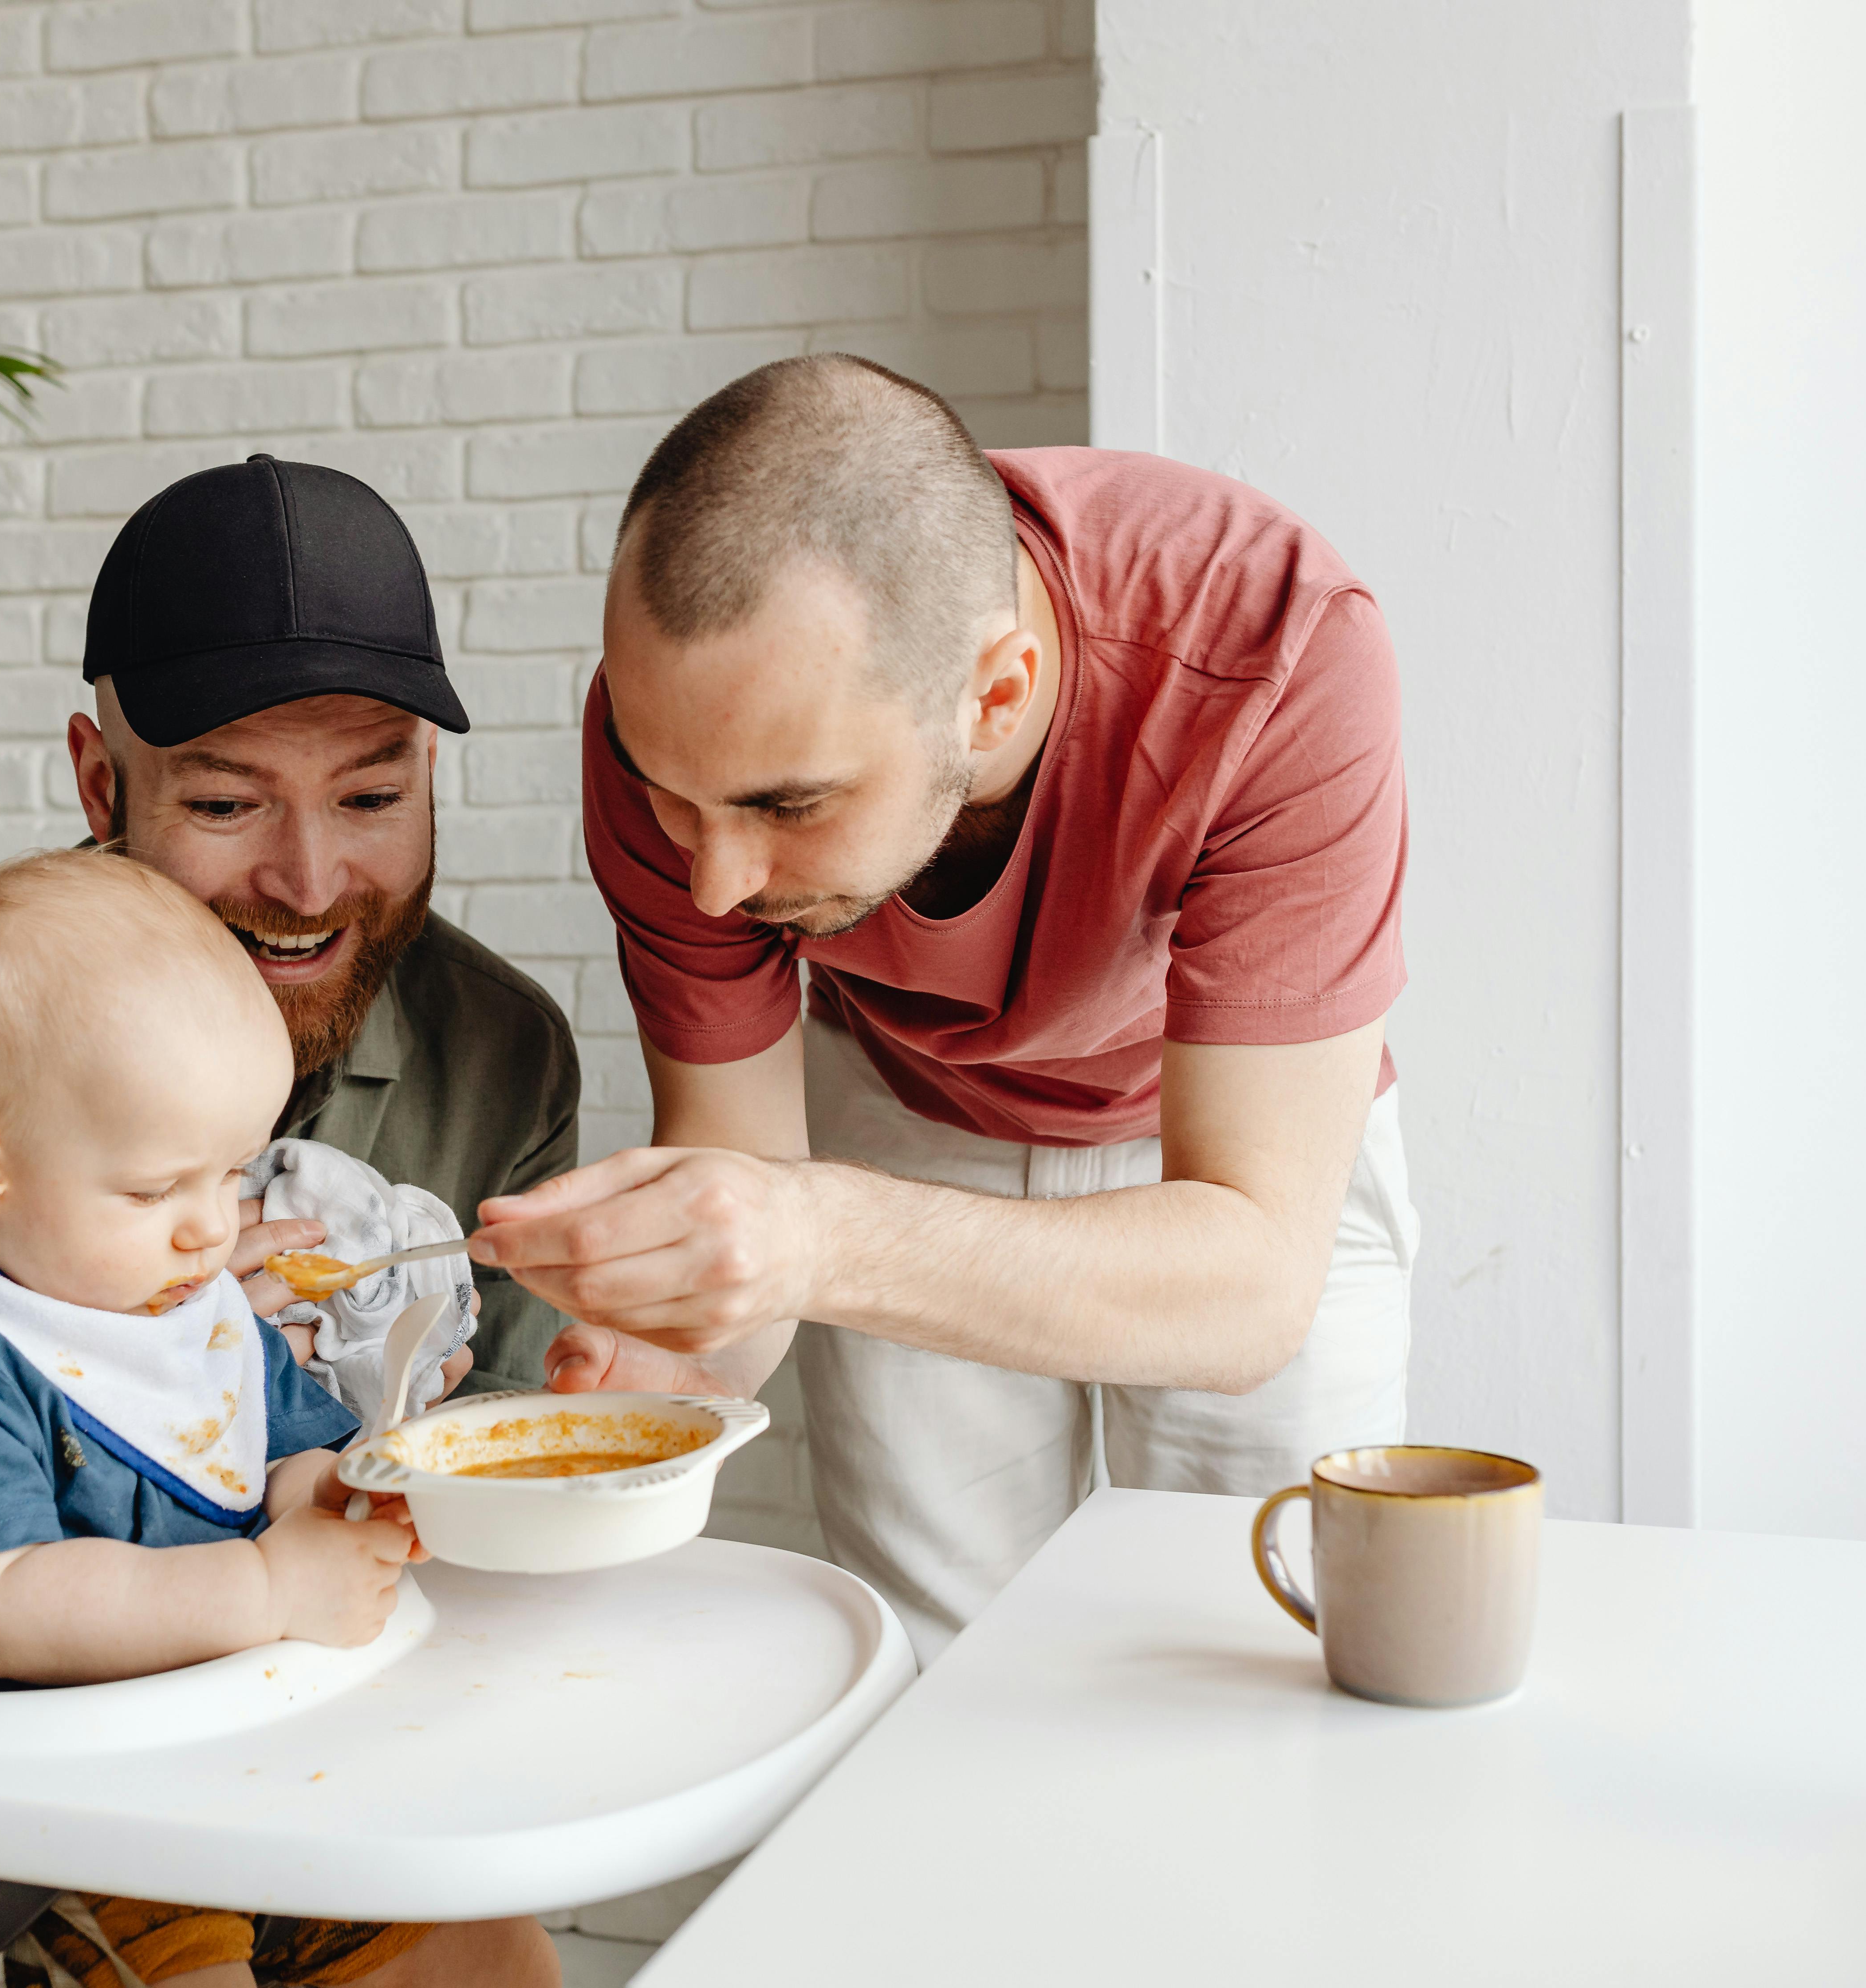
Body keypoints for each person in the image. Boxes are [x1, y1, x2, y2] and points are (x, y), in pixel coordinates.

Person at [476, 357, 1421, 1660]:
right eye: (670, 799)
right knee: (939, 1672)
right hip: (902, 1106)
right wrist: (694, 1342)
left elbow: (1253, 1287)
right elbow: (747, 1161)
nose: (714, 877)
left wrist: (810, 1240)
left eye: (788, 806)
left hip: (1241, 1148)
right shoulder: (687, 741)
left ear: (995, 692)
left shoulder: (1276, 651)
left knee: (1260, 1649)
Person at [0, 849, 558, 1988]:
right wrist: (268, 1587)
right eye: (158, 1190)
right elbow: (4, 1605)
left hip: (241, 1757)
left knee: (484, 1938)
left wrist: (338, 1503)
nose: (214, 1230)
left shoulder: (178, 1309)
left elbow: (290, 1447)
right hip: (50, 1816)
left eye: (236, 1171)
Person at [0, 454, 579, 1391]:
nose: (311, 888)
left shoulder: (504, 1054)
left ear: (428, 772)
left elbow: (521, 1461)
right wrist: (136, 1362)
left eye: (370, 796)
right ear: (99, 784)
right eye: (227, 807)